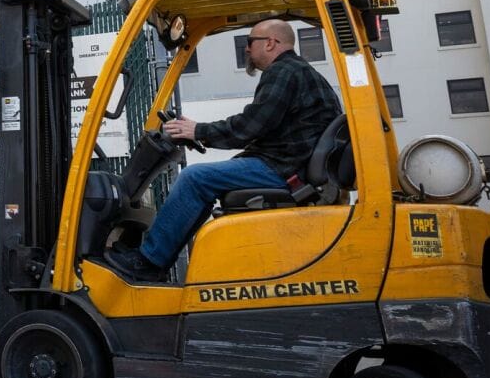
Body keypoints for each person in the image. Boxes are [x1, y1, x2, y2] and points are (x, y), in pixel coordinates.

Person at [105, 19, 341, 282]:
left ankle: (148, 262)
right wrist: (200, 132)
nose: (247, 49)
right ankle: (156, 260)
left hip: (283, 169)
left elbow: (249, 127)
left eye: (250, 42)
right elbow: (260, 127)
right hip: (292, 165)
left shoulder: (284, 72)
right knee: (205, 177)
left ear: (270, 43)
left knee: (194, 178)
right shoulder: (301, 72)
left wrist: (198, 131)